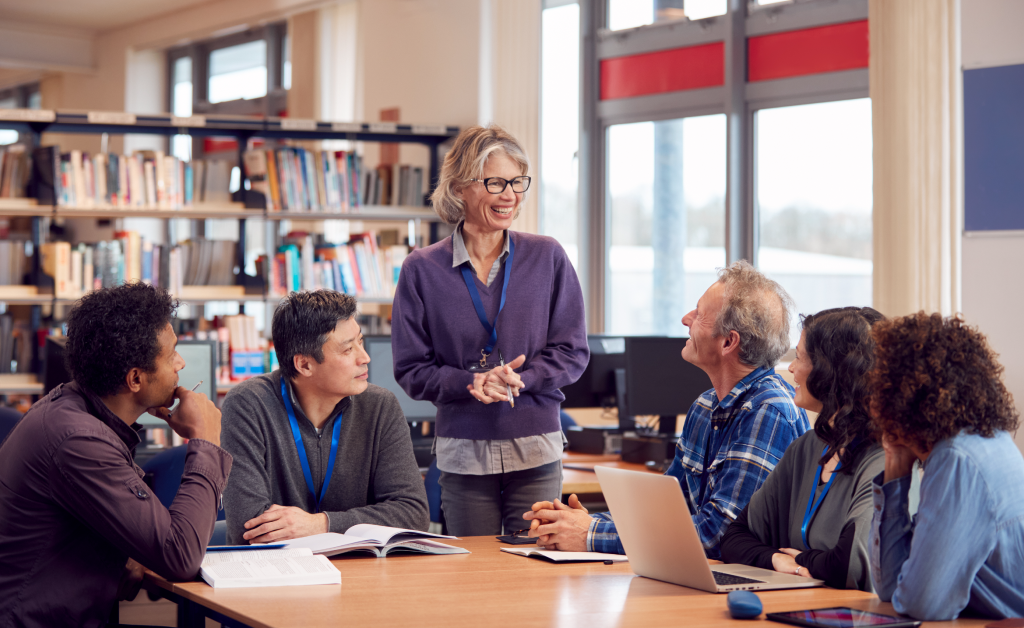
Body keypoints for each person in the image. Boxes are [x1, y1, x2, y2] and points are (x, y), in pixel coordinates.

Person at [525, 261, 810, 557]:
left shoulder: (769, 411)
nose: (686, 318)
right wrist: (579, 523)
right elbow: (668, 514)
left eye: (699, 314)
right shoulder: (704, 408)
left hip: (751, 586)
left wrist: (590, 534)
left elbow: (717, 536)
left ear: (728, 342)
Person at [391, 124, 589, 536]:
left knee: (535, 570)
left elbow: (572, 351)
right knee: (474, 576)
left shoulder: (547, 256)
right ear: (461, 186)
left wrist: (522, 378)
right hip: (463, 450)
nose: (510, 196)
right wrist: (471, 382)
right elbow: (411, 369)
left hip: (536, 444)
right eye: (496, 182)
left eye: (518, 182)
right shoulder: (422, 269)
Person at [0, 283, 229, 627]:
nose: (180, 363)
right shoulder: (79, 440)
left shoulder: (71, 407)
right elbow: (180, 555)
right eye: (171, 356)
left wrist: (125, 550)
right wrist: (206, 441)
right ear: (135, 378)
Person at [221, 290, 428, 545]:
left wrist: (321, 524)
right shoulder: (248, 405)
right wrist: (358, 524)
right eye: (347, 349)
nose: (365, 358)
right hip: (278, 572)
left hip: (360, 570)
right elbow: (250, 525)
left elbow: (413, 513)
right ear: (304, 365)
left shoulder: (380, 406)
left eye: (360, 342)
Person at [868, 313, 1024, 620]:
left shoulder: (958, 460)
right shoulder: (980, 441)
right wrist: (896, 463)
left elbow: (922, 604)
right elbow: (890, 589)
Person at [720, 307, 885, 590]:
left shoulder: (884, 457)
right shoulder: (807, 449)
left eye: (799, 357)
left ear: (831, 371)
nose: (792, 368)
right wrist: (776, 560)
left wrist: (803, 561)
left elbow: (849, 565)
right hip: (804, 605)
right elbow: (734, 538)